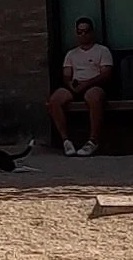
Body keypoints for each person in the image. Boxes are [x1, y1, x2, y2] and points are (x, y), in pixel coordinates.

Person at [47, 17, 114, 156]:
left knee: (93, 97)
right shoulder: (71, 54)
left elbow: (106, 74)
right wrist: (71, 84)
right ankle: (66, 140)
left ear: (92, 32)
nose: (83, 35)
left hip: (94, 84)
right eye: (80, 32)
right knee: (55, 100)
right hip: (75, 86)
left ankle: (93, 140)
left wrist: (87, 83)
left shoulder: (102, 51)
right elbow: (67, 74)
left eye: (86, 31)